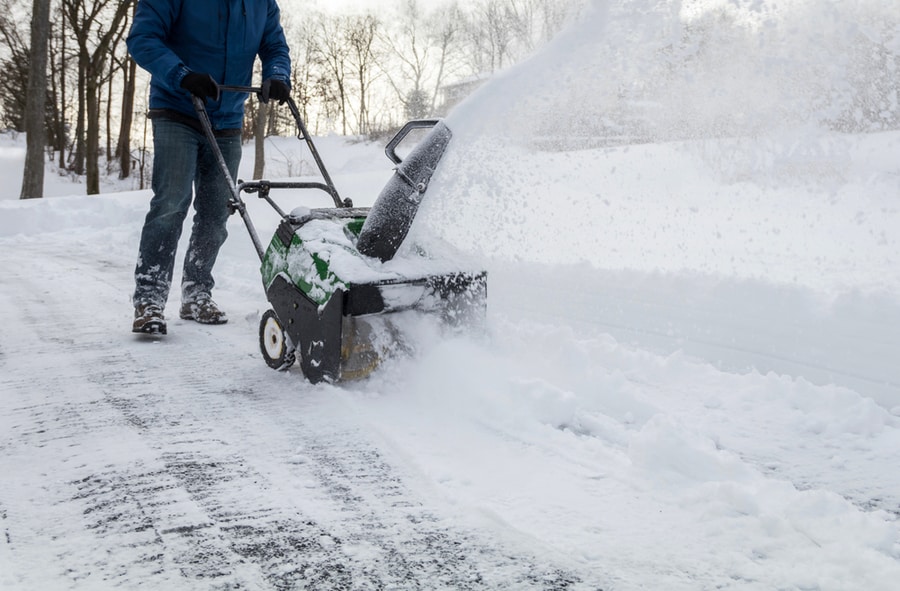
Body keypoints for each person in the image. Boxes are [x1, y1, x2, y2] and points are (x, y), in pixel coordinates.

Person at [127, 0, 292, 335]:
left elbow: (274, 45)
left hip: (227, 117)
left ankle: (196, 292)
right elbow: (142, 38)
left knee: (218, 211)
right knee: (170, 205)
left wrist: (276, 75)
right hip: (177, 108)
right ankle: (149, 299)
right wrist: (181, 75)